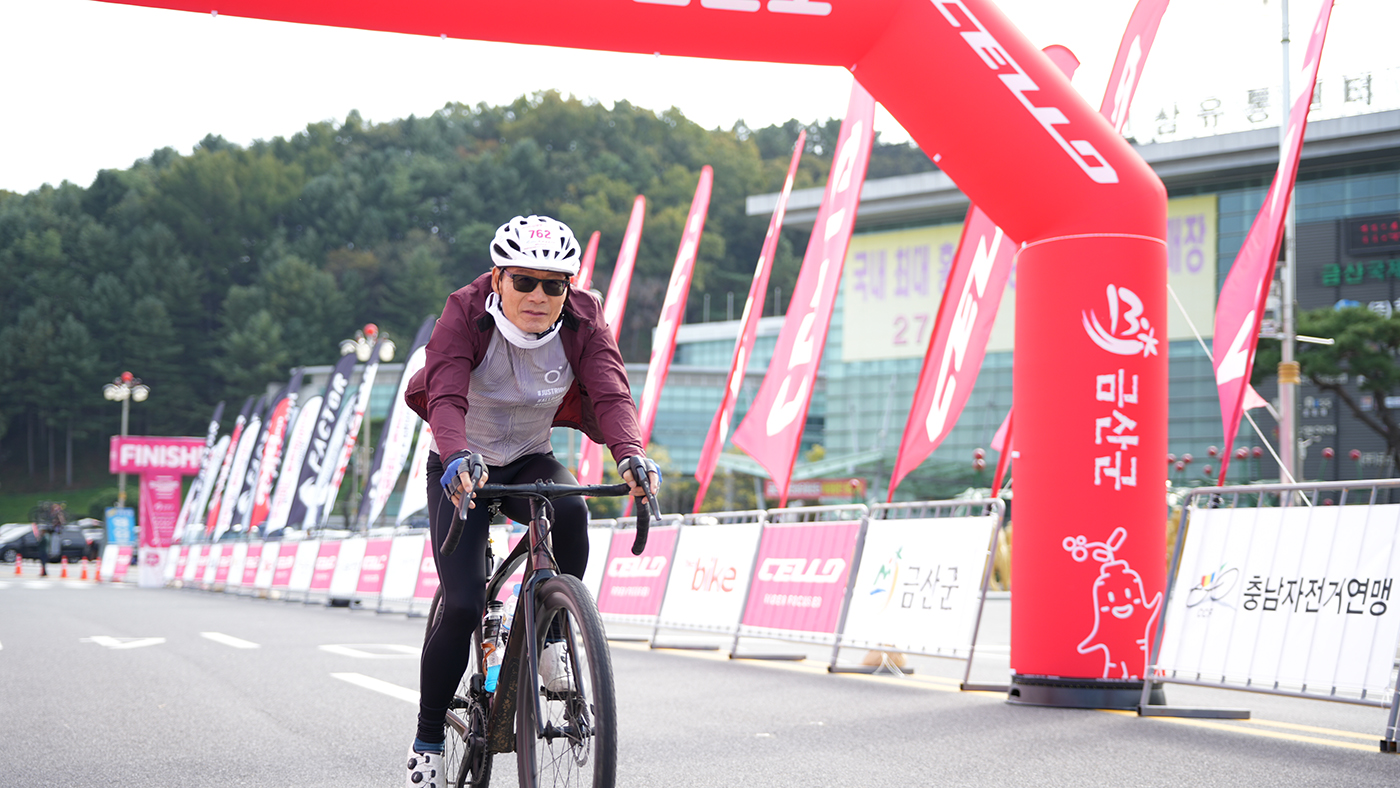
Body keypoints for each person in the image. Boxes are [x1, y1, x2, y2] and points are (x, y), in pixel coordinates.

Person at [401, 214, 660, 788]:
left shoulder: (584, 319)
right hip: (461, 463)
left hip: (528, 456)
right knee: (463, 605)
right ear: (498, 279)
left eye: (554, 285)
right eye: (524, 281)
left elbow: (611, 392)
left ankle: (549, 634)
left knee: (571, 509)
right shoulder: (464, 311)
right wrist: (456, 455)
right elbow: (445, 394)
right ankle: (427, 739)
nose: (539, 296)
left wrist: (631, 455)